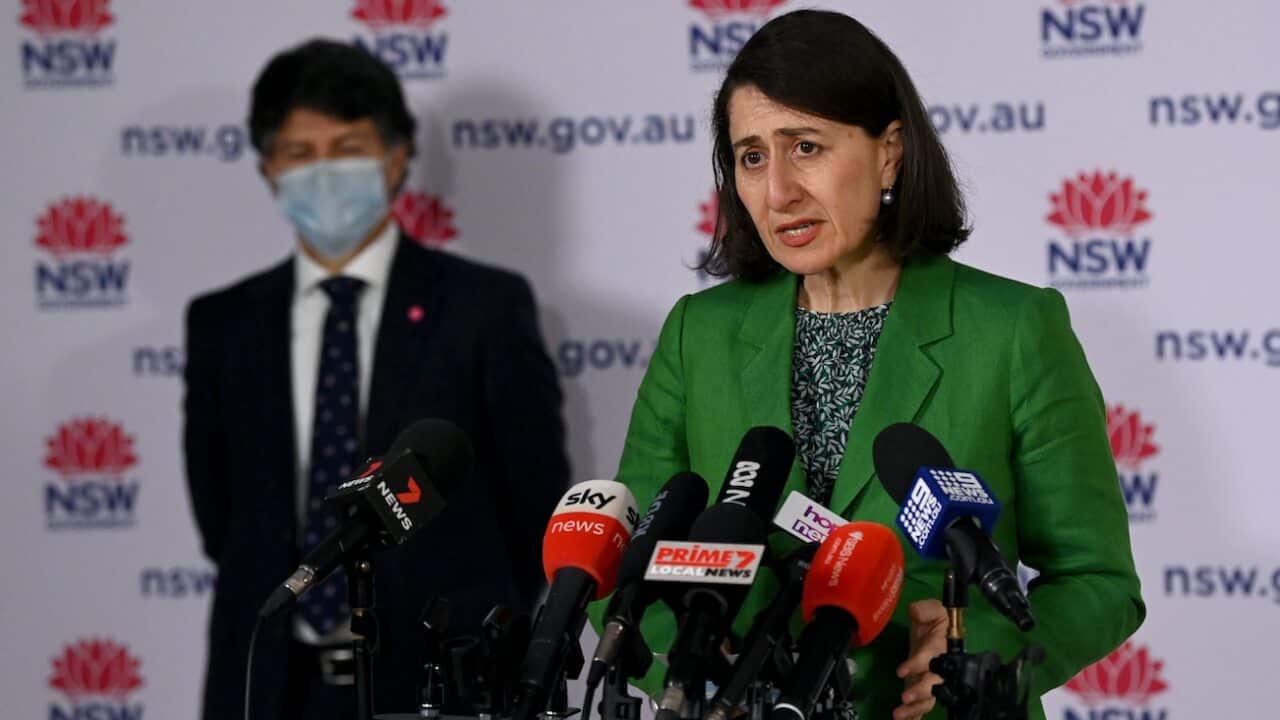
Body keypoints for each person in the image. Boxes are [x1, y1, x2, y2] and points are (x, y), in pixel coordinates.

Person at [612, 10, 1143, 720]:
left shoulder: (1013, 329)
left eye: (806, 147)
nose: (778, 192)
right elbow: (625, 566)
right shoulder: (697, 335)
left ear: (890, 153)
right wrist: (694, 674)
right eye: (752, 156)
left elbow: (1097, 577)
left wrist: (976, 647)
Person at [182, 39, 570, 720]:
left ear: (396, 159)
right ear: (268, 168)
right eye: (300, 154)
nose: (324, 173)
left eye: (349, 147)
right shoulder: (223, 323)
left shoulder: (484, 306)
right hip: (269, 685)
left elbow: (534, 496)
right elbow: (222, 516)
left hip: (438, 683)